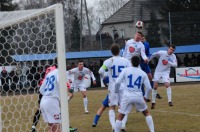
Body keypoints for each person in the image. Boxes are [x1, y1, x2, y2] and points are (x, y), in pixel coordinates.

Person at [114, 55, 155, 132]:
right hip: (138, 96)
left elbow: (117, 82)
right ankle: (152, 131)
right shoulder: (143, 73)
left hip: (127, 96)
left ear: (131, 62)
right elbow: (149, 87)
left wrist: (116, 93)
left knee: (120, 116)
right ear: (139, 63)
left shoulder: (125, 70)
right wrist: (145, 97)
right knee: (146, 113)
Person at [31, 65, 76, 132]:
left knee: (51, 127)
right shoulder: (60, 72)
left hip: (44, 101)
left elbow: (41, 89)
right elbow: (61, 81)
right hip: (51, 101)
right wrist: (70, 89)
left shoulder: (49, 74)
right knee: (58, 128)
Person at [99, 44, 131, 131]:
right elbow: (130, 72)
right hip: (123, 86)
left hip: (113, 87)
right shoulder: (126, 61)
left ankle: (113, 126)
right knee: (123, 106)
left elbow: (100, 71)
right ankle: (123, 125)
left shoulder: (108, 61)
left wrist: (105, 78)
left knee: (112, 106)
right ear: (119, 51)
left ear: (111, 51)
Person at [149, 44, 177, 109]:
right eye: (170, 49)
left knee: (167, 85)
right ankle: (153, 102)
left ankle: (170, 101)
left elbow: (175, 65)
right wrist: (149, 59)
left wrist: (169, 62)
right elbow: (154, 54)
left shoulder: (173, 56)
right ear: (168, 48)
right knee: (155, 87)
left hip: (166, 72)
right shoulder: (162, 52)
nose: (171, 51)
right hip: (158, 71)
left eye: (173, 50)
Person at [140, 36, 162, 102]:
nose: (141, 40)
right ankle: (143, 96)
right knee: (140, 79)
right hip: (139, 63)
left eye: (143, 39)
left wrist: (147, 58)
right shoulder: (137, 45)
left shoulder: (147, 44)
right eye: (140, 39)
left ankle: (155, 93)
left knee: (150, 77)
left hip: (145, 63)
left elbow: (148, 54)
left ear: (144, 39)